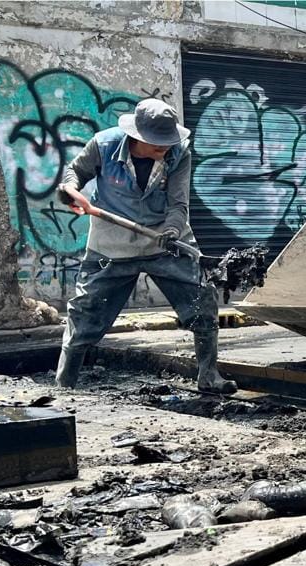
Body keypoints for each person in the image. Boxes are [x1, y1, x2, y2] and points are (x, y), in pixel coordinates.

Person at [54, 98, 237, 394]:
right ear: (136, 136)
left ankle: (209, 374)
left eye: (167, 142)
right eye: (156, 144)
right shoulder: (103, 145)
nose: (163, 148)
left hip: (166, 240)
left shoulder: (179, 153)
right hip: (111, 244)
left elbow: (179, 203)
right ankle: (64, 384)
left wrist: (172, 229)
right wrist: (70, 192)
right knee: (84, 313)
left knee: (202, 300)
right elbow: (73, 175)